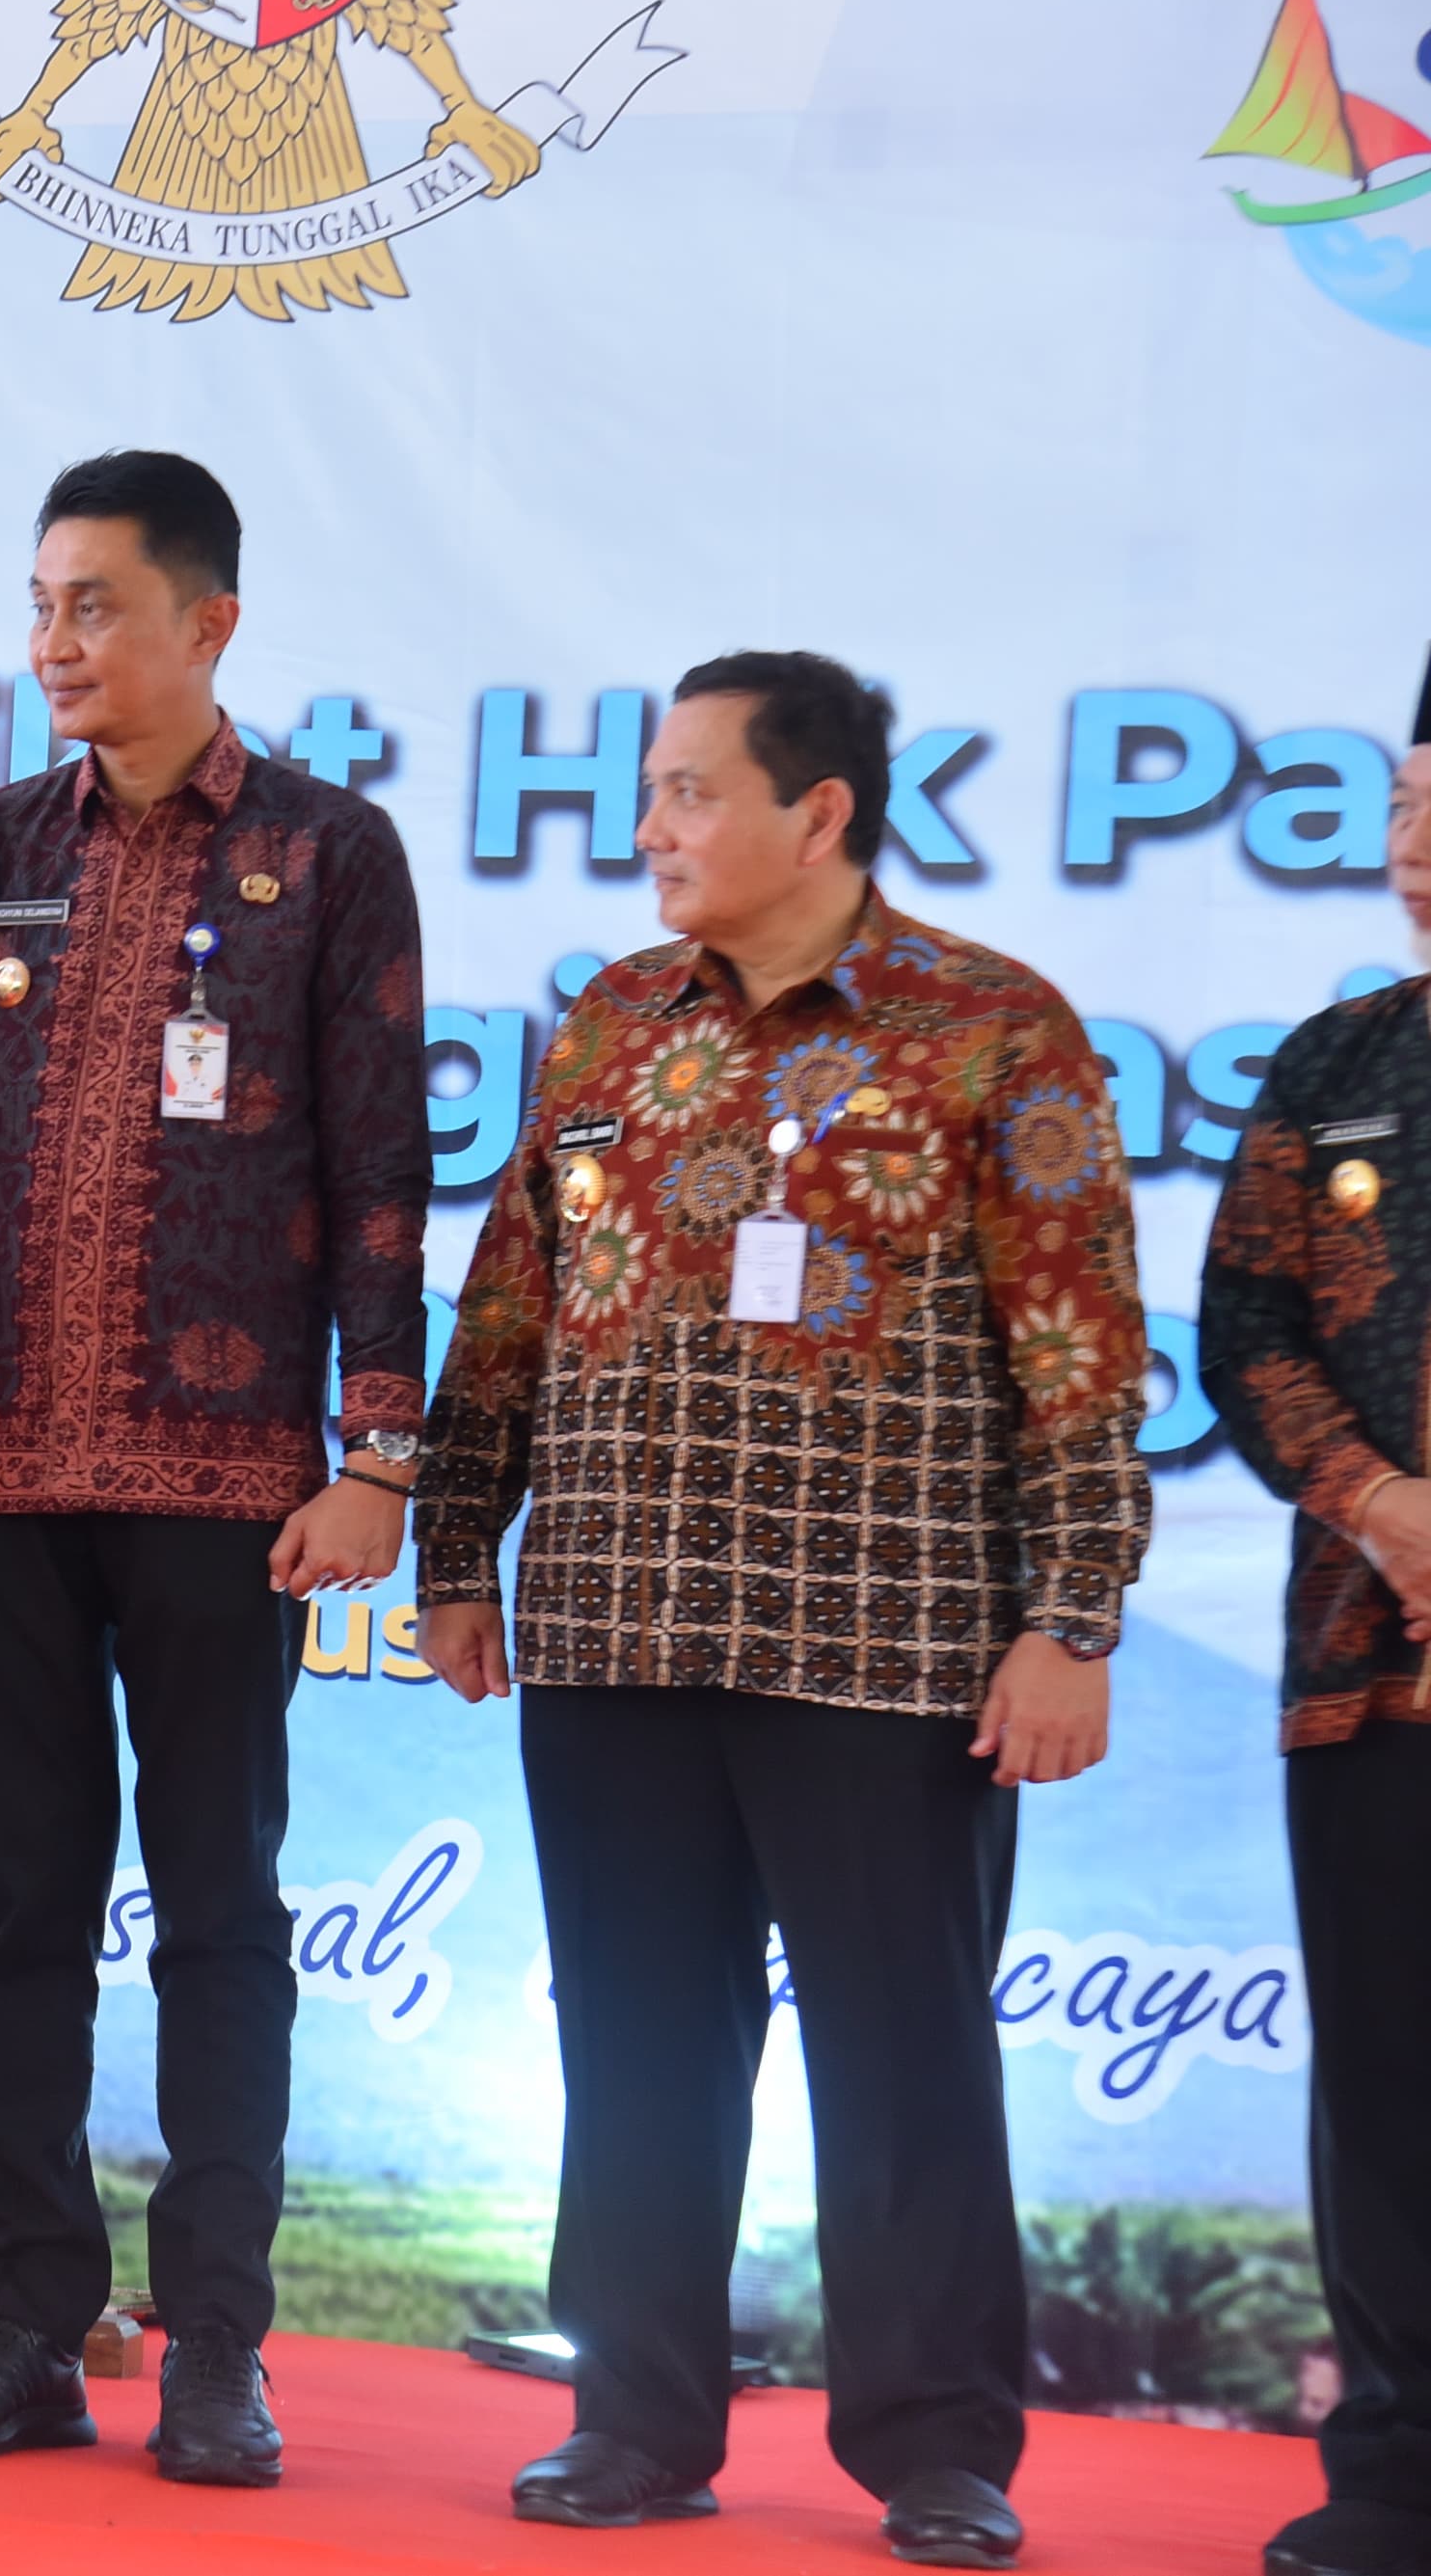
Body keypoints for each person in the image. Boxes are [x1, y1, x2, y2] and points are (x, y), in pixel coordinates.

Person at [415, 651, 1147, 2571]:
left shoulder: (992, 1027)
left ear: (817, 812)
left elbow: (1079, 1355)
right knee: (636, 2044)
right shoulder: (607, 1021)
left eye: (688, 791)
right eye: (648, 790)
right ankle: (633, 2415)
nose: (649, 827)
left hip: (885, 1645)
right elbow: (508, 1297)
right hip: (613, 1621)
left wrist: (1072, 1615)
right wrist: (455, 1541)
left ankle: (936, 2448)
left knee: (903, 2058)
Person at [0, 450, 427, 2483]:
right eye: (39, 604)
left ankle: (217, 2346)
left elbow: (382, 1173)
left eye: (94, 604)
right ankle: (25, 2321)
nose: (56, 643)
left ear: (209, 622)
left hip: (229, 1486)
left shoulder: (330, 854)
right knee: (22, 1914)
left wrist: (377, 1454)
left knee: (220, 1914)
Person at [1197, 734, 1431, 2576]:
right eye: (1408, 797)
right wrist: (1382, 1503)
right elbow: (1247, 1326)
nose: (1412, 837)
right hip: (1371, 1657)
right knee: (1388, 2079)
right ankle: (1398, 2475)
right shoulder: (1339, 1063)